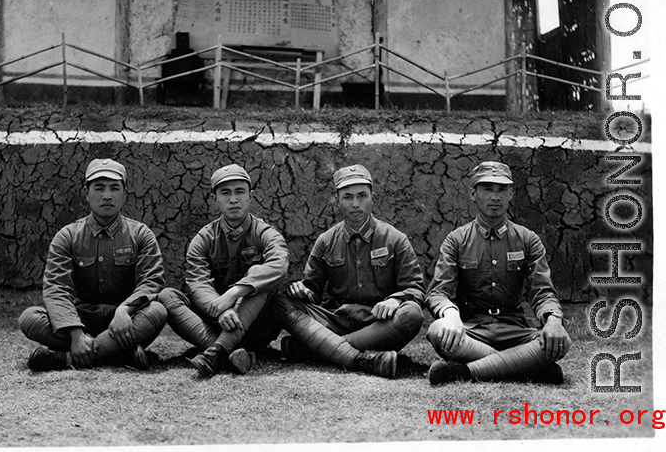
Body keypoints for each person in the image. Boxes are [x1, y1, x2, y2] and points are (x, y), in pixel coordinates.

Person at [425, 161, 572, 385]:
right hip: (472, 332)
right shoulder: (456, 240)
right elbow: (437, 293)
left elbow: (542, 292)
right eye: (487, 189)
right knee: (437, 330)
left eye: (502, 189)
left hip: (515, 332)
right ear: (473, 194)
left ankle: (462, 372)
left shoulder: (527, 239)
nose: (495, 196)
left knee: (561, 340)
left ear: (511, 194)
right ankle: (523, 367)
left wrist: (553, 319)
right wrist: (451, 316)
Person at [275, 164, 426, 379]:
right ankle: (361, 357)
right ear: (337, 200)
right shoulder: (326, 241)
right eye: (347, 197)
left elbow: (415, 288)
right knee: (280, 302)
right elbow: (313, 292)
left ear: (372, 197)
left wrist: (395, 301)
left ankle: (320, 348)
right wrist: (303, 291)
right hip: (336, 321)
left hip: (378, 324)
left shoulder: (394, 239)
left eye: (362, 196)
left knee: (411, 313)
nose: (355, 204)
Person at [18, 158, 167, 372]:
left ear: (124, 194)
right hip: (79, 319)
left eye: (114, 188)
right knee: (30, 318)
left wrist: (125, 309)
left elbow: (152, 281)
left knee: (158, 311)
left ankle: (68, 359)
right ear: (86, 193)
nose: (107, 195)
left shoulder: (141, 234)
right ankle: (117, 353)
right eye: (99, 188)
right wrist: (75, 333)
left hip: (123, 320)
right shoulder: (67, 236)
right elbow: (56, 288)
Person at [158, 164, 289, 378]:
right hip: (218, 320)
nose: (233, 199)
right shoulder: (204, 238)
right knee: (166, 296)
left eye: (240, 192)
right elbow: (197, 282)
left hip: (255, 326)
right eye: (225, 193)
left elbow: (279, 264)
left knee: (259, 275)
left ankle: (216, 353)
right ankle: (228, 352)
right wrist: (220, 309)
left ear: (250, 196)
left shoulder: (265, 233)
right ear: (214, 198)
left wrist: (234, 293)